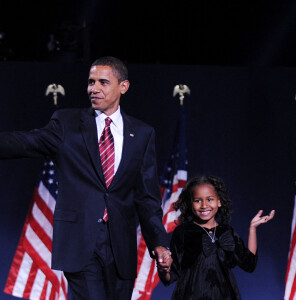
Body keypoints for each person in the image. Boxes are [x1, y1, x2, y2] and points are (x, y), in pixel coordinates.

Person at [0, 56, 172, 299]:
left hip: (120, 246)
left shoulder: (142, 134)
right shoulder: (66, 123)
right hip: (80, 241)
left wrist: (159, 244)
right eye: (91, 82)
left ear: (123, 86)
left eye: (103, 82)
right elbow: (27, 142)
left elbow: (147, 198)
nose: (94, 89)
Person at [158, 175, 275, 300]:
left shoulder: (227, 232)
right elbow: (171, 276)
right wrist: (164, 268)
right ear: (190, 203)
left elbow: (249, 264)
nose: (204, 205)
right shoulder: (183, 232)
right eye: (197, 200)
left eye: (209, 199)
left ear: (219, 201)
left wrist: (252, 229)